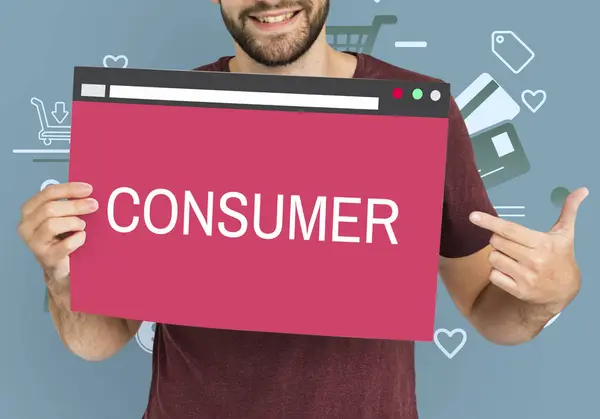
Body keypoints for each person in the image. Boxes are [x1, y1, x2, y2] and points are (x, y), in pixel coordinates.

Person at [17, 1, 588, 418]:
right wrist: (60, 274)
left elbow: (489, 312)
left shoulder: (418, 114)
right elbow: (98, 340)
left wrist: (550, 296)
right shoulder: (156, 117)